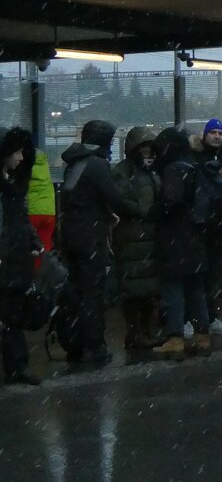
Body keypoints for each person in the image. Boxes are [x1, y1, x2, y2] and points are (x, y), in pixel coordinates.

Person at [59, 119, 139, 364]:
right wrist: (139, 210)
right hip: (90, 236)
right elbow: (114, 198)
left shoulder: (74, 163)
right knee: (92, 292)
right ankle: (94, 345)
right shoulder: (98, 165)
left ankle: (73, 343)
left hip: (70, 234)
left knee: (74, 289)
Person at [150, 127, 210, 359]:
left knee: (173, 289)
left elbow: (171, 202)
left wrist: (154, 211)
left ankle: (175, 339)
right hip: (195, 237)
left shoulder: (172, 168)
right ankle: (202, 337)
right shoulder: (193, 166)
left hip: (175, 239)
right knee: (196, 290)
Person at [111, 126, 162, 350]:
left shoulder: (152, 171)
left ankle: (147, 329)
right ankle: (135, 332)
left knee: (149, 290)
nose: (146, 151)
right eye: (142, 147)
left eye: (150, 148)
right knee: (133, 291)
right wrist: (144, 212)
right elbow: (120, 201)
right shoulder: (122, 172)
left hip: (149, 238)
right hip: (132, 238)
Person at [0, 127, 41, 386]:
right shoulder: (9, 187)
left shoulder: (12, 185)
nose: (21, 157)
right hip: (8, 258)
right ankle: (17, 366)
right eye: (16, 152)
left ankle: (17, 366)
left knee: (10, 315)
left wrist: (33, 241)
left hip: (12, 259)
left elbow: (19, 220)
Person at [192, 119, 222, 336]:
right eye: (213, 132)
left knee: (213, 275)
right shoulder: (196, 160)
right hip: (202, 225)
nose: (217, 136)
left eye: (220, 133)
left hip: (218, 225)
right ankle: (196, 319)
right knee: (199, 275)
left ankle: (210, 317)